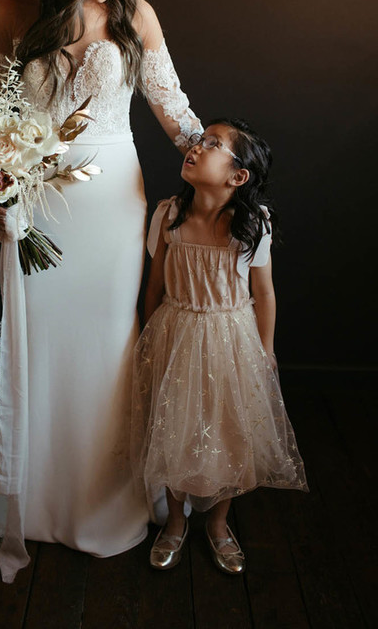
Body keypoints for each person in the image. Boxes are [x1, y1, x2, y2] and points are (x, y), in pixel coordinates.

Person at [0, 0, 203, 583]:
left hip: (111, 214)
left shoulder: (138, 17)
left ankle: (105, 507)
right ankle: (34, 503)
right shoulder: (14, 11)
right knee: (35, 350)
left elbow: (178, 116)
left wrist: (233, 164)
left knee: (108, 355)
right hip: (36, 211)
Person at [131, 119, 308, 573]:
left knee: (228, 431)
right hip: (177, 330)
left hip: (231, 337)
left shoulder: (251, 224)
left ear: (237, 176)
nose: (196, 146)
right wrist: (148, 338)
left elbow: (264, 293)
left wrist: (264, 354)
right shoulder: (169, 215)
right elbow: (153, 288)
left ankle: (219, 523)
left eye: (212, 144)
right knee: (175, 428)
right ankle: (175, 520)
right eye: (199, 139)